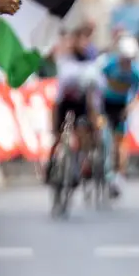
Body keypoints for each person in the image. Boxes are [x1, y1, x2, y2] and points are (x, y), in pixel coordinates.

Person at [46, 26, 103, 185]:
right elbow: (58, 94)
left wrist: (95, 117)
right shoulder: (65, 59)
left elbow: (95, 90)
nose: (83, 44)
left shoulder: (91, 62)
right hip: (65, 100)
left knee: (82, 131)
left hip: (82, 102)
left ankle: (78, 164)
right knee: (57, 136)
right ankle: (51, 164)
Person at [99, 35, 139, 197]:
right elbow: (98, 81)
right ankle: (96, 162)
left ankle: (118, 176)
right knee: (102, 135)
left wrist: (129, 108)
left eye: (130, 60)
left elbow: (137, 95)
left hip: (121, 107)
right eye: (125, 60)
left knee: (120, 143)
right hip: (105, 103)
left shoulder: (136, 73)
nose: (127, 64)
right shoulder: (110, 65)